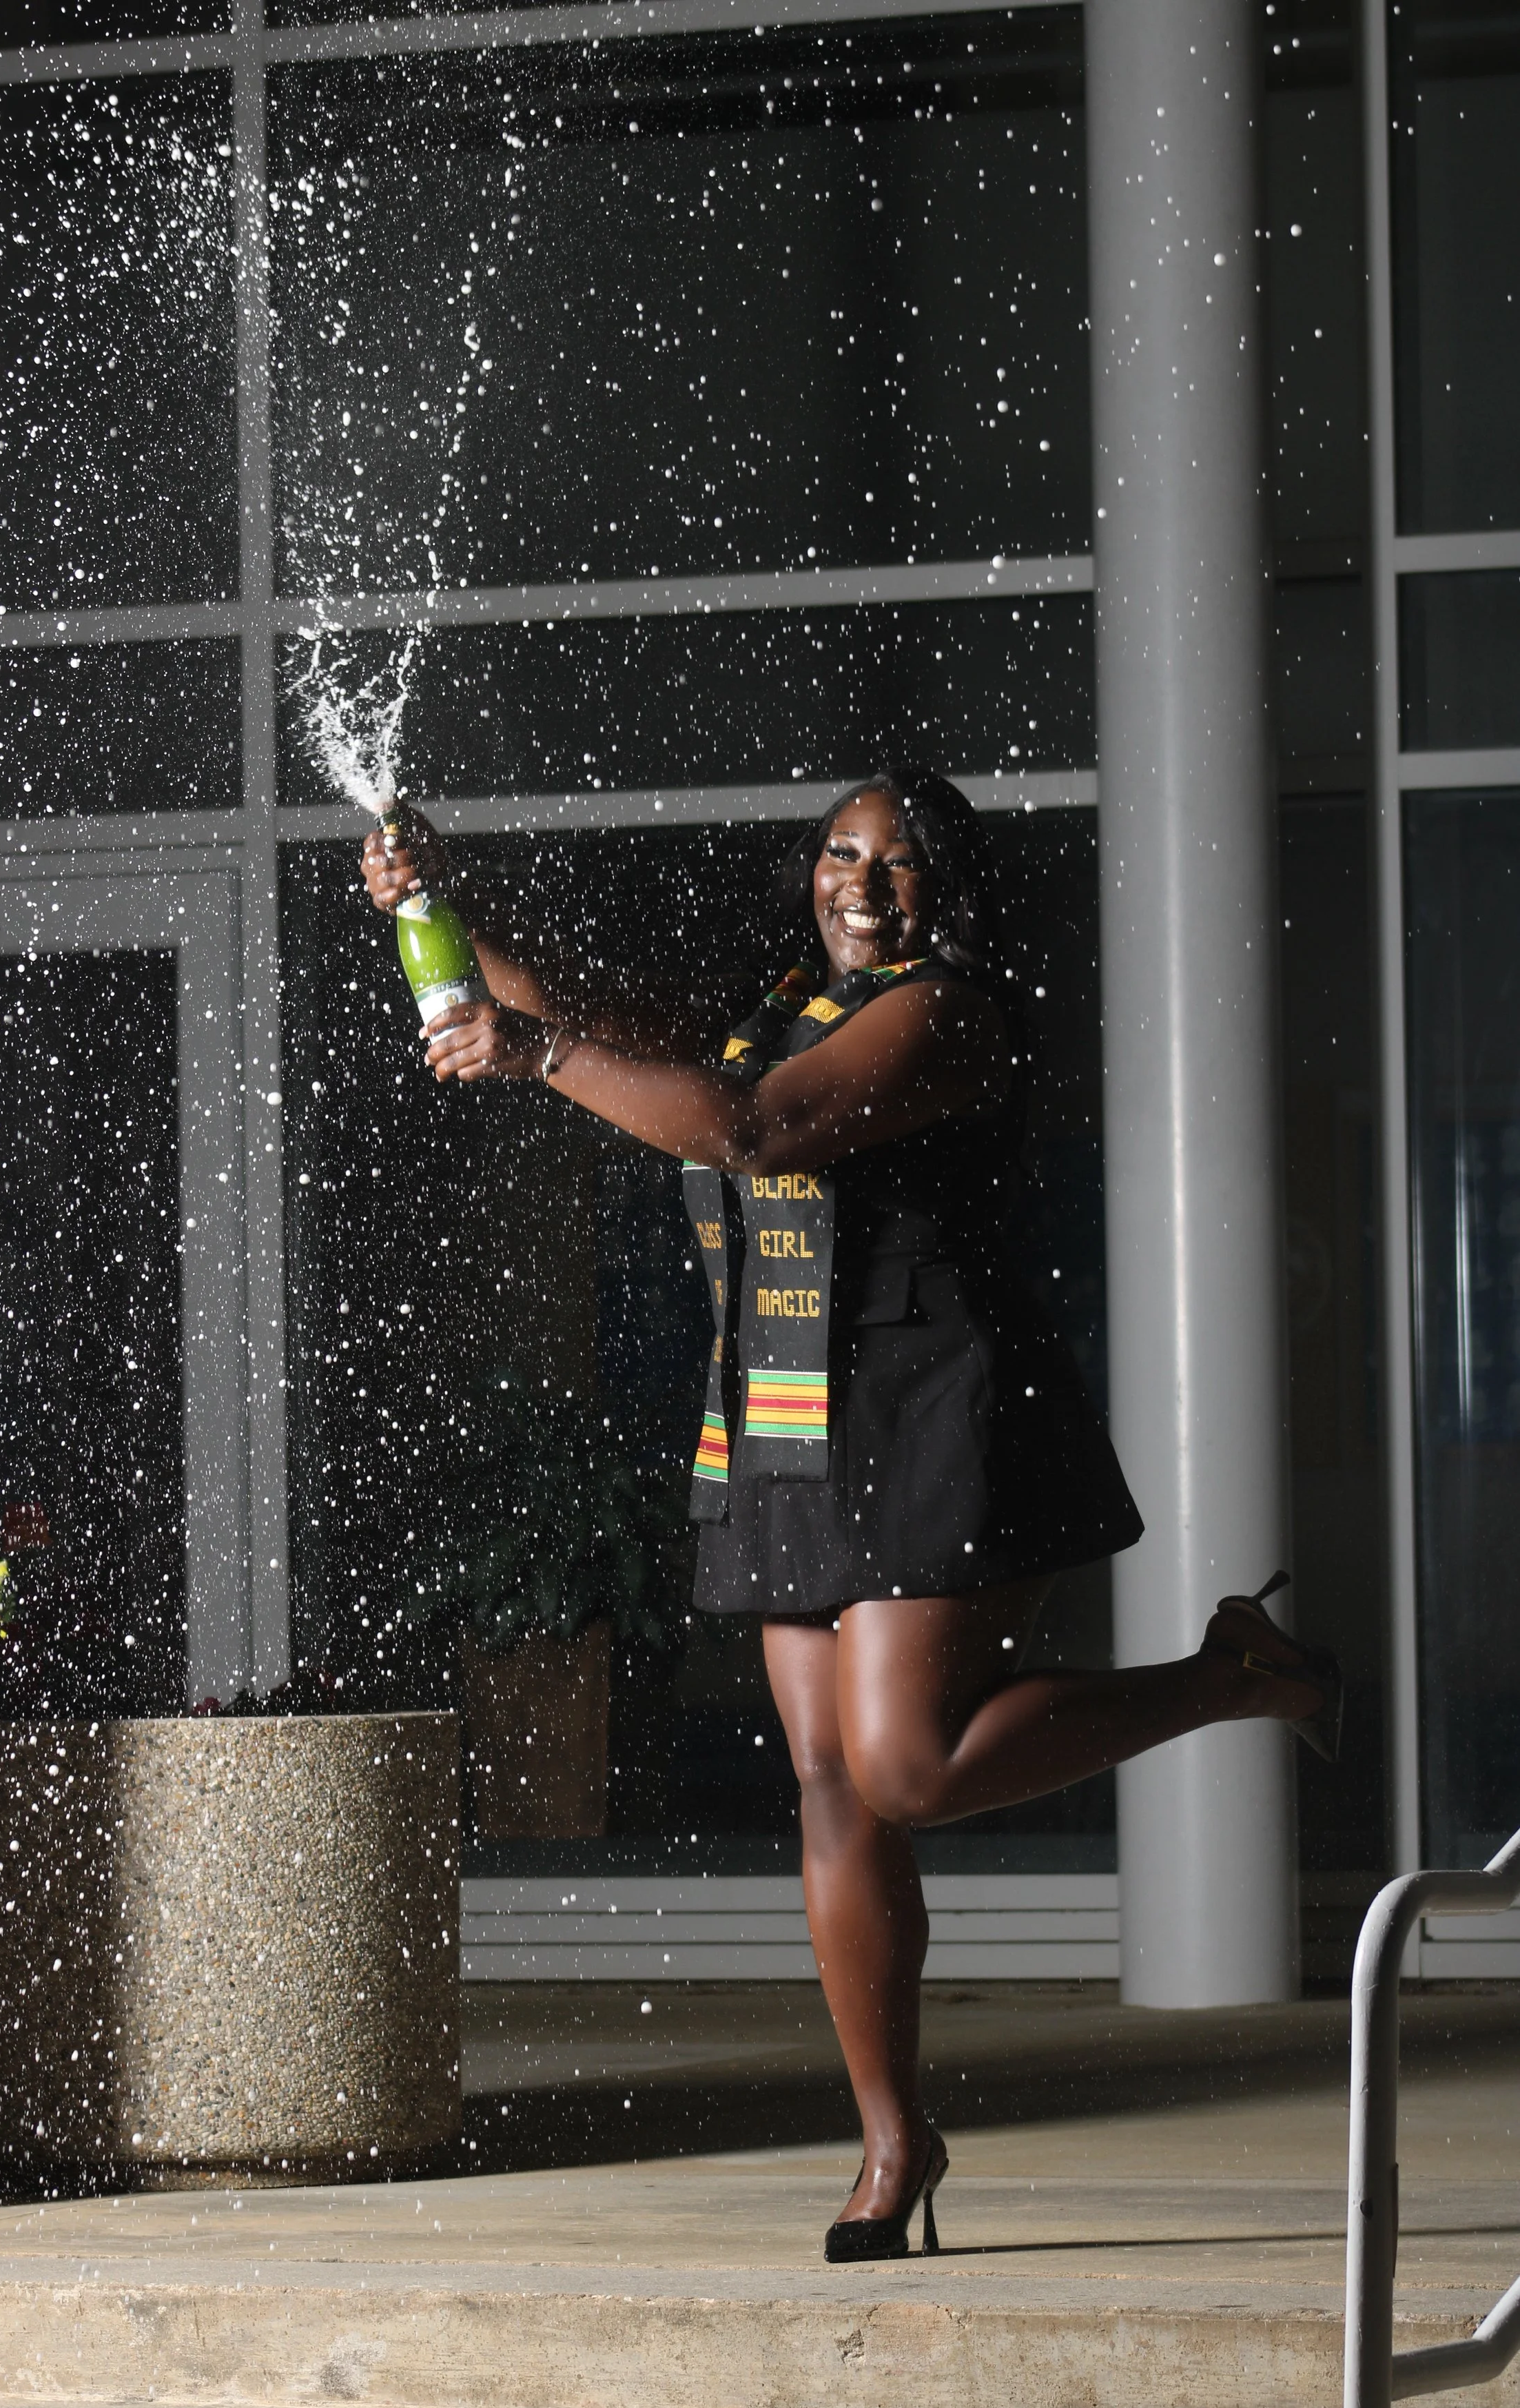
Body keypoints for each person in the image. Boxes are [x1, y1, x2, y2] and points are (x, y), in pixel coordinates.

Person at [361, 768, 1340, 2263]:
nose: (860, 881)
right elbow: (580, 1012)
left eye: (895, 859)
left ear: (942, 884)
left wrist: (535, 1051)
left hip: (933, 1406)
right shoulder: (772, 1002)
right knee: (827, 1786)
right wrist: (437, 906)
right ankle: (894, 2139)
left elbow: (750, 1133)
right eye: (838, 852)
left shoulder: (944, 1014)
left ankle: (1228, 1675)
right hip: (782, 1411)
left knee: (902, 1766)